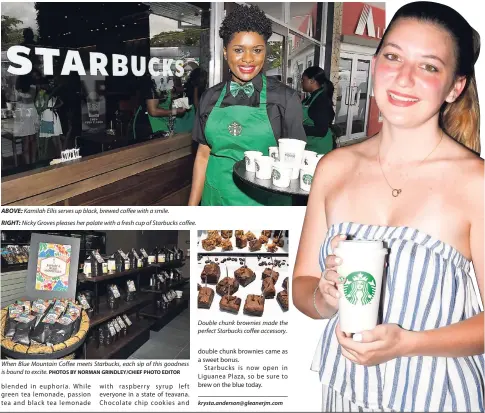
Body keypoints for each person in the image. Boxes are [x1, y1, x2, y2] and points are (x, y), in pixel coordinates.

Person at [292, 2, 483, 412]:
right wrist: (326, 298)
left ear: (455, 86)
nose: (403, 77)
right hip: (345, 393)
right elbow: (302, 288)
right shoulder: (333, 168)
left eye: (429, 66)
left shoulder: (477, 183)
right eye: (393, 57)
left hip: (437, 396)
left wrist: (408, 343)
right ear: (376, 63)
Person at [189, 4, 306, 206]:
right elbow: (202, 155)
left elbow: (295, 167)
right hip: (215, 200)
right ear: (225, 53)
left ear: (265, 52)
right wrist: (190, 212)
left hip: (264, 208)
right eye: (238, 50)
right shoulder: (209, 97)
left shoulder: (285, 99)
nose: (248, 59)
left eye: (257, 50)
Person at [301, 66, 336, 154]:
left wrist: (298, 128)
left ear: (312, 81)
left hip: (320, 147)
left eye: (303, 80)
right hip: (310, 143)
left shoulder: (321, 101)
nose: (301, 83)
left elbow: (321, 130)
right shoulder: (310, 98)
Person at [14, 72, 40, 165]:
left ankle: (30, 163)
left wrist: (19, 94)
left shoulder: (25, 88)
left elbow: (25, 100)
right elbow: (28, 99)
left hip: (26, 114)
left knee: (28, 140)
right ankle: (31, 163)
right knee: (31, 140)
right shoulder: (32, 86)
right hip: (29, 113)